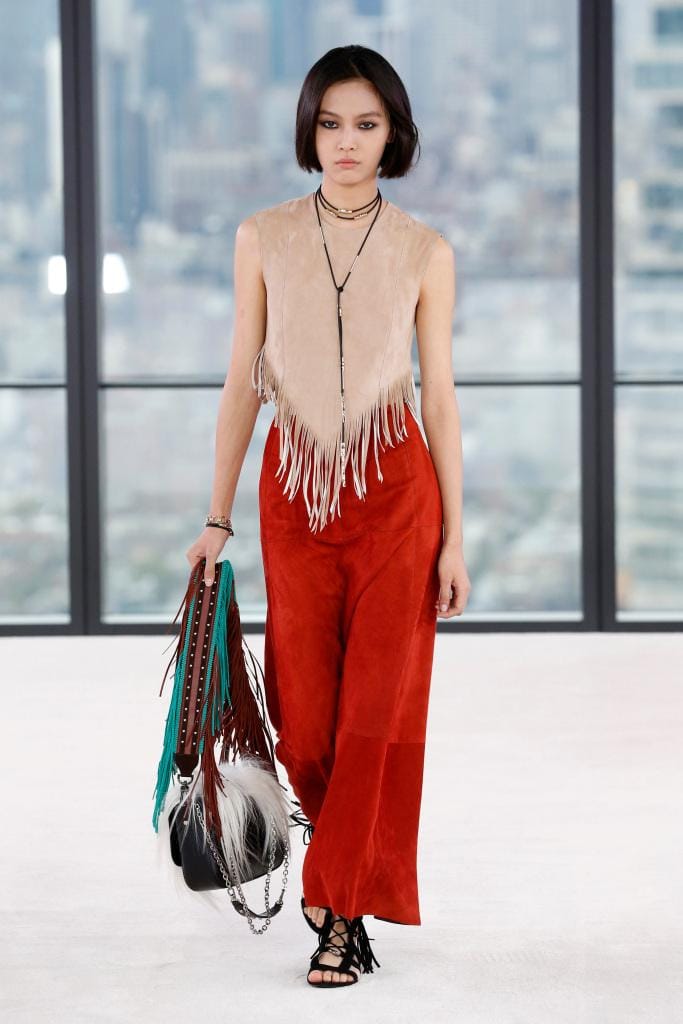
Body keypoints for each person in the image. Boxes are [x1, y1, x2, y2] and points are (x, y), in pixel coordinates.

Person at [185, 44, 470, 988]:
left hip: (398, 496)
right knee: (306, 724)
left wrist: (455, 538)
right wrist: (217, 516)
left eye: (366, 124)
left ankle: (339, 916)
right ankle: (341, 872)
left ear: (393, 135)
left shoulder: (425, 251)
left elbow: (438, 399)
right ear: (308, 131)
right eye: (330, 123)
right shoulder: (262, 236)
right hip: (296, 495)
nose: (346, 141)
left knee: (375, 717)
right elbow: (242, 380)